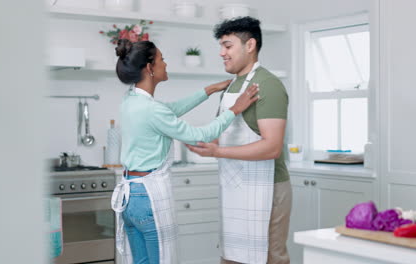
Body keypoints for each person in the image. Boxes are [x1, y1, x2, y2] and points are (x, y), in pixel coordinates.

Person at [110, 38, 259, 264]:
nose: (166, 64)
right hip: (148, 197)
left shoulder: (130, 100)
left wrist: (209, 90)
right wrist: (234, 109)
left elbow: (169, 110)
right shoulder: (151, 110)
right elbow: (201, 136)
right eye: (162, 60)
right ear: (150, 68)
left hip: (131, 198)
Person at [186, 17, 292, 264]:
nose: (222, 53)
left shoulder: (268, 85)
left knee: (268, 258)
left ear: (250, 45)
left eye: (227, 46)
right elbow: (219, 131)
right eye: (221, 47)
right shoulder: (231, 86)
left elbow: (272, 147)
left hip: (268, 188)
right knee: (233, 257)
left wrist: (217, 152)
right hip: (235, 186)